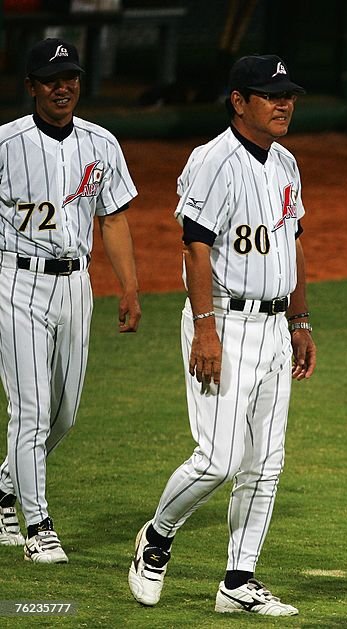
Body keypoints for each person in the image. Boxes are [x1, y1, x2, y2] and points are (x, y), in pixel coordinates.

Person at [128, 54, 315, 616]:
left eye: (288, 95)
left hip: (275, 326)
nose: (284, 104)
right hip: (224, 322)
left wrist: (300, 320)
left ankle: (238, 581)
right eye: (271, 96)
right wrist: (205, 329)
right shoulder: (212, 160)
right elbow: (196, 246)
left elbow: (293, 244)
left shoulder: (286, 163)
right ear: (239, 101)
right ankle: (157, 537)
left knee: (266, 463)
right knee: (218, 459)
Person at [0, 38, 141, 563]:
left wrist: (129, 286)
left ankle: (3, 489)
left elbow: (113, 218)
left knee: (63, 415)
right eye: (51, 80)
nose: (63, 88)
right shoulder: (6, 143)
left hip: (77, 285)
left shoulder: (101, 143)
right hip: (16, 283)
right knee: (32, 411)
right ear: (31, 86)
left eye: (71, 79)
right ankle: (37, 526)